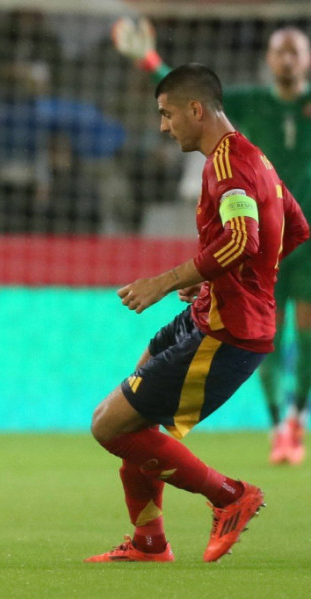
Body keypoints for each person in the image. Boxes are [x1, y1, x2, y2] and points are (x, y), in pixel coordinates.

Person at [86, 64, 308, 563]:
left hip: (228, 332)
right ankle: (149, 542)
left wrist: (164, 282)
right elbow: (294, 228)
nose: (163, 126)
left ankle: (231, 496)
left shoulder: (228, 167)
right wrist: (223, 280)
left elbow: (241, 240)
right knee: (132, 417)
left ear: (195, 110)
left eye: (167, 114)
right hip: (212, 314)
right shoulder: (254, 158)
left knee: (109, 425)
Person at [113, 19, 311, 464]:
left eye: (295, 51)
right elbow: (187, 96)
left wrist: (165, 281)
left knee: (303, 331)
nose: (287, 59)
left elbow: (187, 104)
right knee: (274, 326)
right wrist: (150, 61)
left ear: (308, 60)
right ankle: (278, 424)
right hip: (269, 236)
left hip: (282, 242)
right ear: (267, 59)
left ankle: (293, 421)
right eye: (279, 51)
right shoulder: (249, 106)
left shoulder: (232, 163)